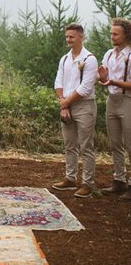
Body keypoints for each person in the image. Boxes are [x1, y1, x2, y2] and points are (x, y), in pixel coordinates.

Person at [52, 23, 98, 198]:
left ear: (81, 37)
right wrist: (63, 103)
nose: (68, 39)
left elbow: (86, 87)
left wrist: (65, 104)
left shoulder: (89, 59)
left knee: (86, 145)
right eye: (67, 36)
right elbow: (58, 81)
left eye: (71, 36)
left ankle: (88, 183)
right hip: (66, 104)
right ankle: (70, 178)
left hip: (84, 106)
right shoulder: (64, 59)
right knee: (69, 144)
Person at [98, 17, 131, 200]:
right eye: (111, 33)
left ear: (125, 34)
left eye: (115, 34)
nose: (112, 36)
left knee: (130, 144)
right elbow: (104, 76)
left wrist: (113, 81)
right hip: (112, 100)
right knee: (115, 143)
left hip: (128, 100)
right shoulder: (109, 54)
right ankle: (119, 180)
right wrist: (102, 77)